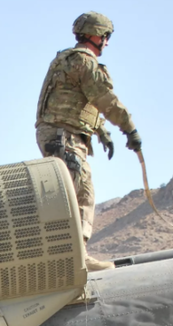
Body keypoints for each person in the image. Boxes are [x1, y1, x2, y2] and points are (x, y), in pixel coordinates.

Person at [35, 11, 142, 271]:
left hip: (57, 133)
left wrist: (101, 131)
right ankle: (77, 258)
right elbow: (105, 99)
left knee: (71, 193)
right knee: (81, 193)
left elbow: (80, 100)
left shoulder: (65, 59)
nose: (106, 42)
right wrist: (130, 130)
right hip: (64, 136)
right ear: (95, 35)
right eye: (105, 36)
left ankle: (70, 256)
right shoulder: (85, 62)